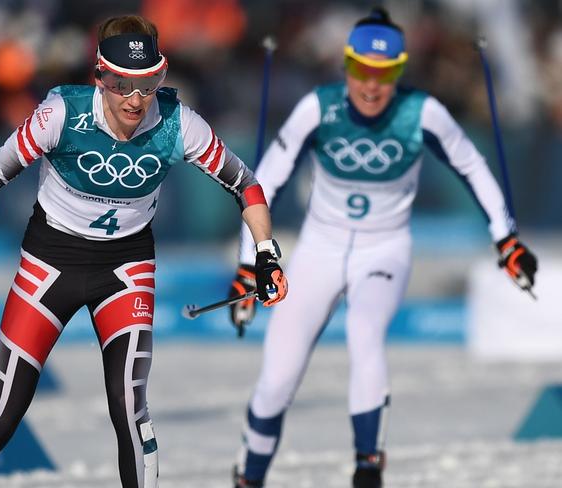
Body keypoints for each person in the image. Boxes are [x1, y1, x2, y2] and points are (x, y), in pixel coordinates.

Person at [0, 14, 288, 488]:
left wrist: (266, 252)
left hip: (125, 270)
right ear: (100, 78)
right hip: (49, 266)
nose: (136, 99)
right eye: (122, 84)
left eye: (148, 83)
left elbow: (246, 185)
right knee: (2, 415)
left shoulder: (177, 124)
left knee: (130, 410)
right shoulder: (60, 115)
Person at [228, 7, 537, 488]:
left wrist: (506, 239)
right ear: (346, 66)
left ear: (400, 72)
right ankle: (249, 477)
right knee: (276, 380)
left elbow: (474, 167)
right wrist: (251, 266)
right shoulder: (319, 106)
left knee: (365, 332)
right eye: (362, 73)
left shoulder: (421, 112)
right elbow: (264, 182)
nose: (372, 87)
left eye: (386, 74)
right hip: (319, 251)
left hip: (384, 251)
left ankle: (367, 468)